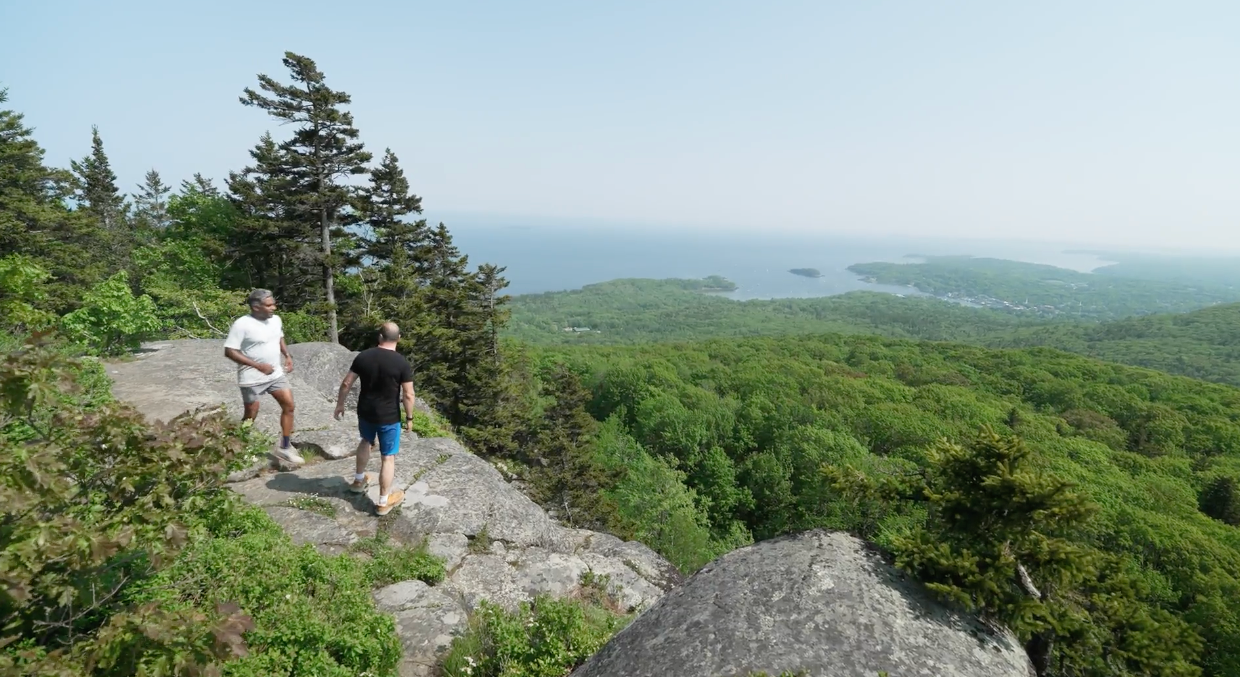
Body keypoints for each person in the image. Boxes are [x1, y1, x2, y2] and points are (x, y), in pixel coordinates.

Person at [334, 321, 416, 516]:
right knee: (388, 457)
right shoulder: (401, 363)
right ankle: (382, 502)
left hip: (366, 411)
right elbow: (408, 395)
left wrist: (340, 404)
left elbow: (346, 383)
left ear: (380, 337)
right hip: (389, 416)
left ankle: (358, 480)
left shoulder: (364, 356)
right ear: (399, 339)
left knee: (366, 441)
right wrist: (409, 417)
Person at [224, 289, 303, 465]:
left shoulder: (275, 320)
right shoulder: (241, 324)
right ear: (256, 307)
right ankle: (240, 447)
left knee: (289, 406)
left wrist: (287, 355)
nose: (274, 307)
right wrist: (258, 366)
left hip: (275, 374)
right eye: (269, 305)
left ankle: (284, 447)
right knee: (251, 414)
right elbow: (229, 351)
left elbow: (279, 337)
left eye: (273, 303)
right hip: (251, 377)